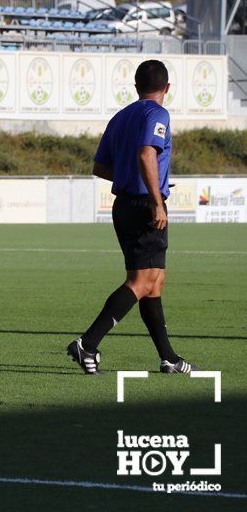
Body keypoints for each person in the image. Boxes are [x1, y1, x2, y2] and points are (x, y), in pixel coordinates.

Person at [67, 60, 196, 375]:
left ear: (136, 87)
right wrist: (156, 199)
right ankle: (88, 342)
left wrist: (143, 181)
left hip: (124, 204)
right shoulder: (158, 114)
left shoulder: (121, 117)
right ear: (166, 88)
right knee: (142, 281)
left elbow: (100, 167)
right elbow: (146, 153)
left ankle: (168, 357)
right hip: (143, 207)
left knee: (154, 283)